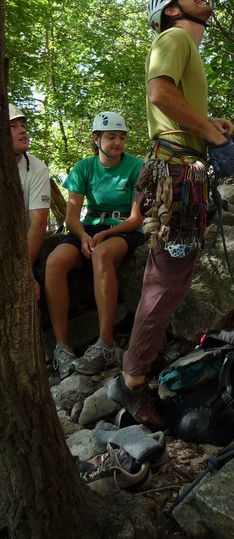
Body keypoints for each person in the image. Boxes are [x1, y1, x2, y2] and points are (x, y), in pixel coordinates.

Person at [108, 0, 234, 429]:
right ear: (172, 9)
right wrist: (213, 136)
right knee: (168, 282)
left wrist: (207, 126)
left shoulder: (185, 49)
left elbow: (170, 106)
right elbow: (160, 94)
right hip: (177, 176)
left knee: (164, 278)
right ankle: (133, 378)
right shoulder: (175, 38)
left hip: (179, 170)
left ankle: (143, 358)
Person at [45, 112, 145, 379]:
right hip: (88, 229)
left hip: (124, 229)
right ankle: (62, 348)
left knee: (101, 255)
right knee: (54, 261)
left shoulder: (138, 166)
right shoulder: (83, 168)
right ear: (96, 139)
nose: (117, 143)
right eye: (111, 137)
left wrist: (104, 235)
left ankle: (105, 345)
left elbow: (137, 218)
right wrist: (84, 237)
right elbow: (71, 216)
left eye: (121, 137)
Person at [10, 103, 51, 299]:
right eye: (13, 126)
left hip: (19, 254)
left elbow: (39, 222)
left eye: (23, 125)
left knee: (29, 292)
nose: (23, 131)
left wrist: (22, 272)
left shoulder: (37, 169)